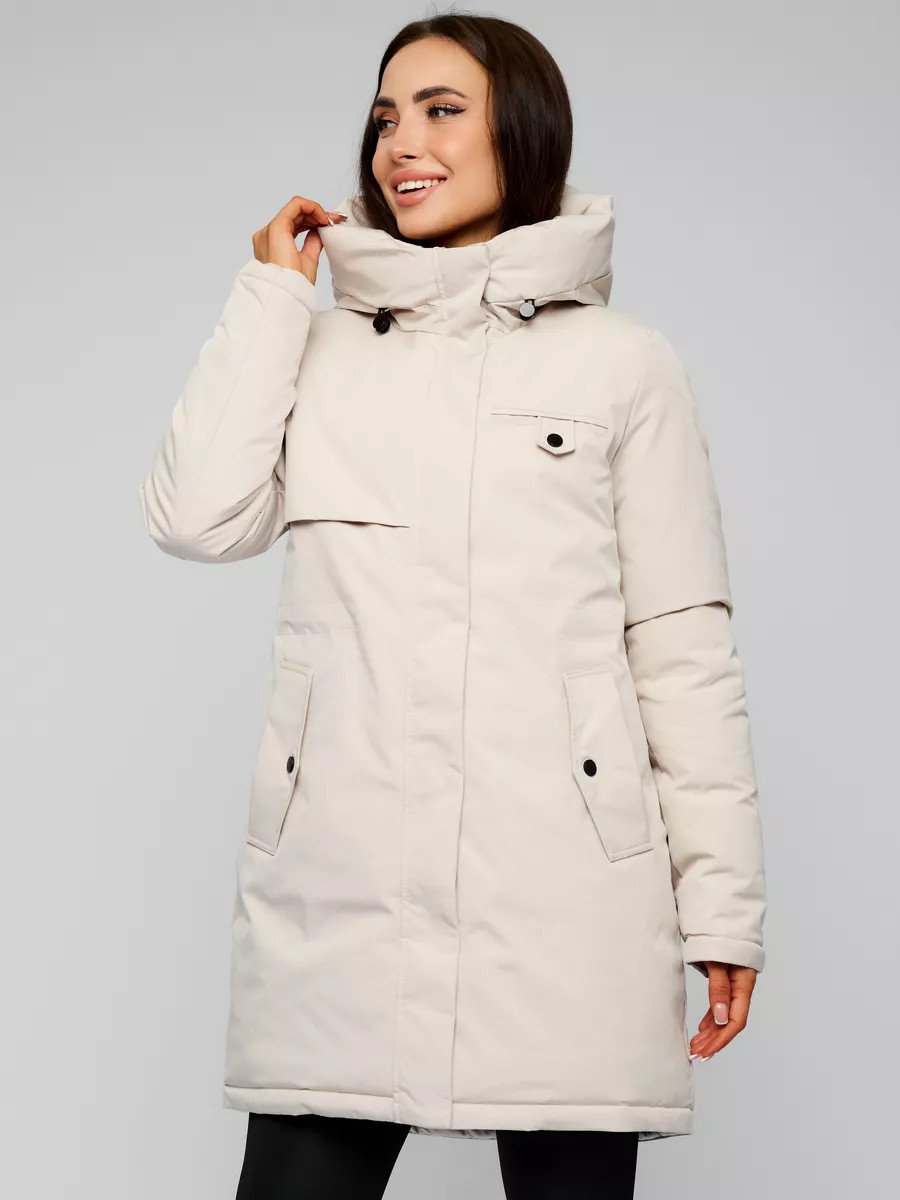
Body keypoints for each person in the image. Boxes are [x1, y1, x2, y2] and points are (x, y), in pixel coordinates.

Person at [139, 12, 767, 1200]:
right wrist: (271, 296)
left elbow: (682, 649)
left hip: (567, 897)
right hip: (340, 890)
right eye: (386, 117)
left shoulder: (622, 364)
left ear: (519, 134)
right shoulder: (318, 350)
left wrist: (722, 909)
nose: (400, 145)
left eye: (440, 111)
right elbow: (195, 517)